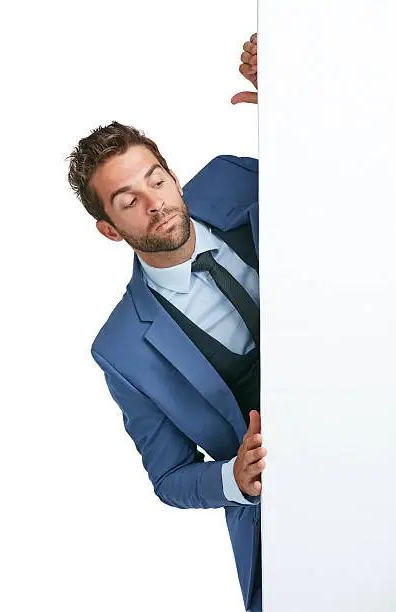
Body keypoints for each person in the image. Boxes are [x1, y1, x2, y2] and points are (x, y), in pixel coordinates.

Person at [67, 33, 265, 612]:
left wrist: (294, 108)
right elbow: (171, 475)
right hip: (289, 518)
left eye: (156, 178)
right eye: (127, 200)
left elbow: (355, 190)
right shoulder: (122, 348)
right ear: (109, 228)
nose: (154, 202)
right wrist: (235, 479)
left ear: (173, 175)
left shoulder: (234, 178)